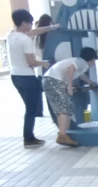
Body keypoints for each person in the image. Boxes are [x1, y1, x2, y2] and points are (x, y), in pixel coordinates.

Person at [7, 9, 59, 147]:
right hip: (27, 77)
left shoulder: (11, 35)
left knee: (29, 107)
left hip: (15, 76)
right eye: (30, 23)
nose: (31, 25)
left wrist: (52, 27)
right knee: (31, 109)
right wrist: (44, 63)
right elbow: (31, 62)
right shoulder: (25, 40)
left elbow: (34, 32)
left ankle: (29, 136)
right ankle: (28, 138)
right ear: (24, 23)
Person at [42, 47, 97, 147]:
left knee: (68, 107)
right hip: (53, 80)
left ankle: (64, 134)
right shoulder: (81, 62)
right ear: (92, 59)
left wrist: (90, 82)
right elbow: (70, 69)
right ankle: (62, 135)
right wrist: (69, 87)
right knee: (63, 107)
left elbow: (80, 75)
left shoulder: (81, 64)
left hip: (50, 80)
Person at [33, 14, 54, 117]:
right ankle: (54, 113)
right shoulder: (46, 36)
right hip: (47, 66)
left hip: (40, 68)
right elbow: (45, 53)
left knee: (45, 92)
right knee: (51, 93)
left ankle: (41, 112)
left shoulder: (36, 37)